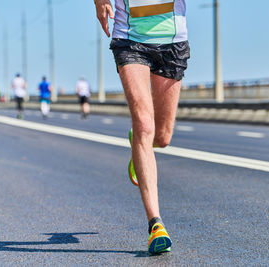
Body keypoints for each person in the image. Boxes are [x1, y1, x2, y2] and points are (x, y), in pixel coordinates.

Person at [95, 0, 190, 254]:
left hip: (172, 40)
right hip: (129, 39)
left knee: (162, 136)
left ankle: (137, 144)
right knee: (144, 125)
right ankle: (155, 224)